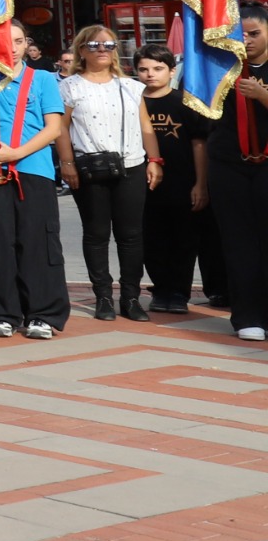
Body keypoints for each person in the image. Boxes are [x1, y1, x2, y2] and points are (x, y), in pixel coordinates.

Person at [0, 21, 72, 340]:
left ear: (27, 44)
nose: (11, 47)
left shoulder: (41, 79)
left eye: (17, 40)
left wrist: (18, 152)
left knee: (38, 241)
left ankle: (42, 313)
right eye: (3, 40)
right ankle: (0, 312)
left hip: (33, 170)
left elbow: (54, 127)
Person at [57, 24, 159, 322]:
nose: (102, 50)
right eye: (94, 45)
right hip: (90, 167)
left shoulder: (130, 86)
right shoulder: (70, 86)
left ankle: (130, 296)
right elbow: (61, 128)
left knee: (131, 234)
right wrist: (67, 163)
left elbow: (146, 126)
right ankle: (103, 295)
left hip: (131, 164)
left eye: (109, 45)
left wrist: (154, 160)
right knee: (97, 233)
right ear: (81, 50)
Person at [206, 8, 268, 341]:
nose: (247, 41)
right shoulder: (219, 68)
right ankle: (247, 315)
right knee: (238, 242)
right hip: (229, 165)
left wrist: (263, 96)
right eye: (240, 35)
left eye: (254, 33)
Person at [137, 45, 212, 317]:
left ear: (171, 71)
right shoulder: (133, 100)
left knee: (183, 239)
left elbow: (199, 144)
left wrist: (201, 184)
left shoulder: (186, 102)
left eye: (157, 69)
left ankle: (179, 292)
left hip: (183, 183)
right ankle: (161, 289)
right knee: (151, 239)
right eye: (143, 69)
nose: (150, 75)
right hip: (143, 184)